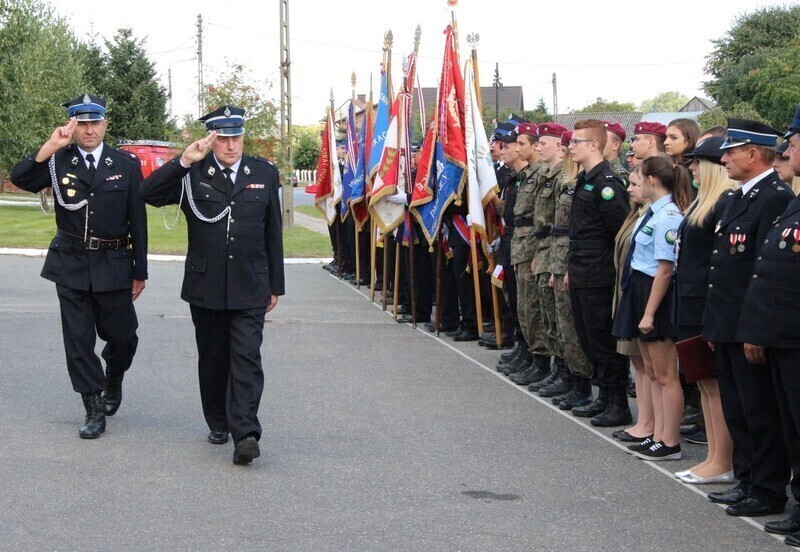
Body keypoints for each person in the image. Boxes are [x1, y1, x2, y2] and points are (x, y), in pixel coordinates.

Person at [140, 105, 284, 465]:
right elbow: (148, 192)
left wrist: (276, 284)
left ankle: (246, 432)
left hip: (250, 282)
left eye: (237, 136)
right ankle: (218, 420)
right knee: (214, 358)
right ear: (211, 138)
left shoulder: (264, 173)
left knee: (247, 357)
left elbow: (273, 233)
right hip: (206, 284)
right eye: (223, 138)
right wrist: (184, 160)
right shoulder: (192, 173)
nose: (232, 145)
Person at [10, 93, 148, 439]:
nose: (89, 130)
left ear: (105, 124)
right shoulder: (58, 161)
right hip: (70, 263)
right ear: (74, 126)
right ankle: (93, 407)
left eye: (94, 123)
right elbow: (22, 179)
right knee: (78, 341)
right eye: (82, 124)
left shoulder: (125, 164)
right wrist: (51, 145)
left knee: (124, 338)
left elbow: (138, 220)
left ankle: (112, 379)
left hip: (114, 262)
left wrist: (139, 270)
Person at [703, 118, 793, 515]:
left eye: (731, 150)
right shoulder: (739, 196)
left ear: (753, 154)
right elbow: (723, 266)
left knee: (760, 412)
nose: (724, 157)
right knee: (738, 408)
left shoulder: (773, 196)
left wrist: (751, 328)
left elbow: (763, 271)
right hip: (728, 321)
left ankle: (766, 488)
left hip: (749, 323)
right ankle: (747, 480)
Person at [739, 106, 800, 542]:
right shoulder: (794, 203)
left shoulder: (781, 198)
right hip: (781, 334)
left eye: (792, 144)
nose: (787, 150)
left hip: (792, 334)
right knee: (792, 428)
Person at [613, 155, 691, 461]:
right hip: (640, 287)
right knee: (652, 371)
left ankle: (669, 440)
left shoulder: (669, 215)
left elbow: (665, 269)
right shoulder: (652, 212)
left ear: (652, 181)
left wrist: (648, 312)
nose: (634, 186)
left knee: (666, 374)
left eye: (638, 179)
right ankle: (657, 434)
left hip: (655, 292)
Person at [671, 136, 737, 483]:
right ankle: (714, 455)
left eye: (698, 162)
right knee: (705, 384)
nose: (692, 168)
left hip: (704, 304)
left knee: (715, 384)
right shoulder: (703, 203)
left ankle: (722, 460)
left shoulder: (721, 204)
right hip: (690, 300)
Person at [566, 119, 631, 426]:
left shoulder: (607, 184)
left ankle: (618, 403)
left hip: (598, 272)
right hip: (580, 267)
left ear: (594, 145)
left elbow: (618, 232)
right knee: (589, 338)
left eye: (576, 141)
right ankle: (603, 396)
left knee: (603, 339)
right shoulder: (586, 179)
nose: (570, 146)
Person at [549, 131, 593, 410]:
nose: (570, 150)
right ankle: (568, 375)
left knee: (575, 327)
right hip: (558, 254)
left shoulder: (588, 183)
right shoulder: (569, 182)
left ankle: (583, 384)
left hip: (576, 258)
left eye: (574, 144)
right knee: (562, 323)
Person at [527, 123, 571, 398]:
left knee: (558, 315)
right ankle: (555, 366)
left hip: (556, 246)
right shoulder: (545, 174)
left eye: (544, 142)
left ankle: (565, 371)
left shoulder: (562, 177)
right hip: (543, 244)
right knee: (544, 311)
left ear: (559, 145)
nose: (538, 146)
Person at [508, 122, 552, 386]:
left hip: (533, 245)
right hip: (520, 243)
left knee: (535, 307)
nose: (517, 147)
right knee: (524, 306)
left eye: (522, 143)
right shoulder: (529, 175)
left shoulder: (542, 174)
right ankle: (532, 355)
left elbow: (540, 218)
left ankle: (542, 359)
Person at [611, 166, 652, 443]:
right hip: (627, 293)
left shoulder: (658, 216)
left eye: (635, 183)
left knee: (652, 369)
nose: (629, 188)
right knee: (638, 363)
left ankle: (650, 425)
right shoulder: (636, 215)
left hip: (642, 296)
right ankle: (645, 422)